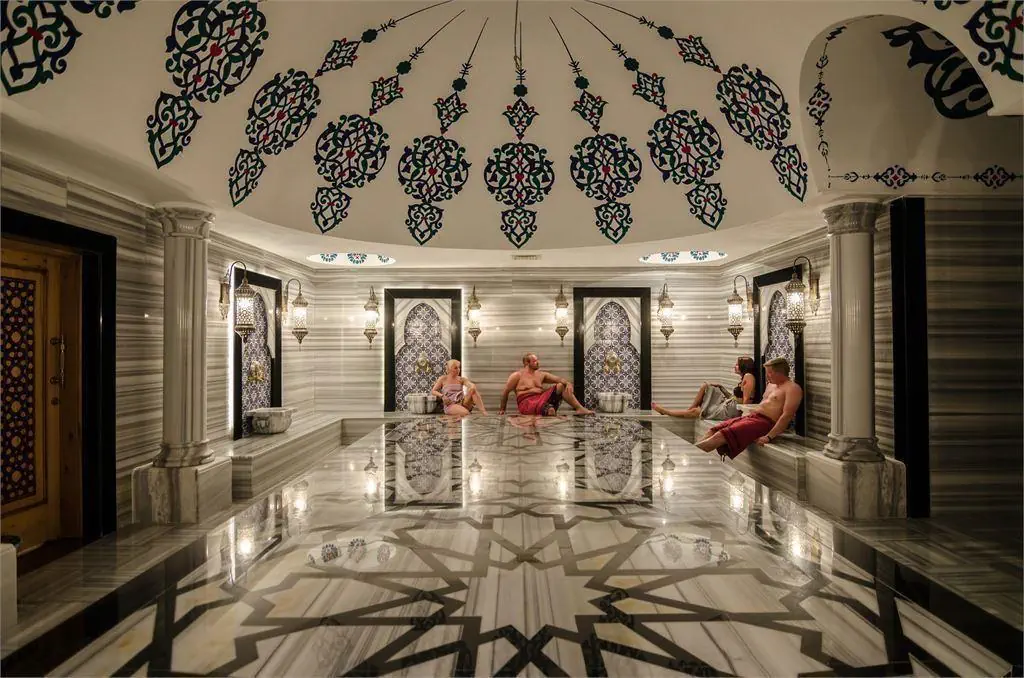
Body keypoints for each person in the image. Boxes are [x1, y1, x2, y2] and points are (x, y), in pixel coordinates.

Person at [694, 357, 802, 459]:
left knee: (720, 435)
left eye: (770, 372)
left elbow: (787, 416)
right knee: (713, 430)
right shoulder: (771, 385)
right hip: (752, 417)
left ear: (780, 372)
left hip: (765, 423)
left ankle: (692, 456)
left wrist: (768, 437)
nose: (767, 376)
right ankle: (692, 452)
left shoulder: (792, 388)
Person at [653, 356, 756, 419]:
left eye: (737, 364)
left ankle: (666, 411)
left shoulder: (748, 376)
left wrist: (742, 418)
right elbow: (737, 398)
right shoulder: (746, 377)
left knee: (697, 412)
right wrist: (722, 388)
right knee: (706, 386)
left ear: (744, 366)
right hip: (730, 405)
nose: (734, 366)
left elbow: (745, 401)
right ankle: (689, 410)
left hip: (731, 410)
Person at [498, 353, 593, 415]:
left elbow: (559, 379)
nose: (538, 363)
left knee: (561, 385)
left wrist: (568, 383)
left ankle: (579, 408)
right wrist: (502, 409)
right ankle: (548, 409)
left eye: (537, 360)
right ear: (527, 363)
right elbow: (505, 392)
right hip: (526, 403)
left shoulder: (541, 374)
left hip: (540, 399)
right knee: (550, 411)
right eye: (535, 361)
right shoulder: (517, 375)